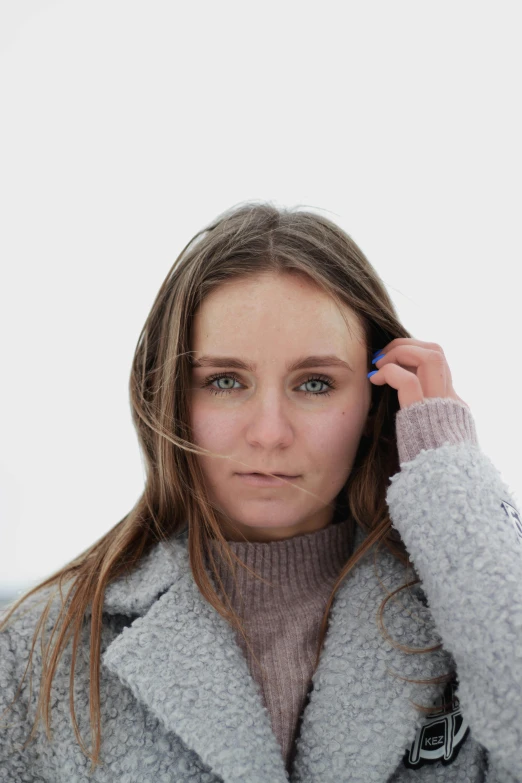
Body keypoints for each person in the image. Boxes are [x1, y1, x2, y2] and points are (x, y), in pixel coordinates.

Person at [1, 201, 521, 783]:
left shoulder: (463, 616)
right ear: (168, 397)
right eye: (225, 381)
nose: (270, 433)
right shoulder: (38, 650)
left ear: (376, 408)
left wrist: (450, 478)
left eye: (316, 383)